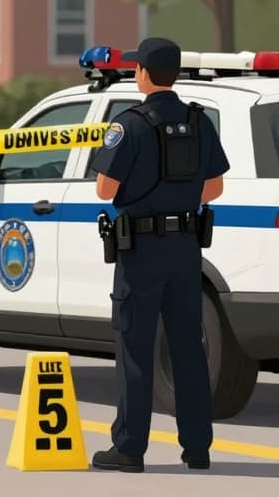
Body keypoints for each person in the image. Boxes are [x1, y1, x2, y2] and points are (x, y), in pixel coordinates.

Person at [88, 37, 228, 473]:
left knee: (135, 346)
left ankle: (130, 449)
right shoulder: (199, 121)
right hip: (186, 250)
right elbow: (215, 188)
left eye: (136, 68)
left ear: (144, 73)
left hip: (142, 250)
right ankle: (198, 447)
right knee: (188, 346)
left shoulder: (128, 124)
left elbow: (105, 190)